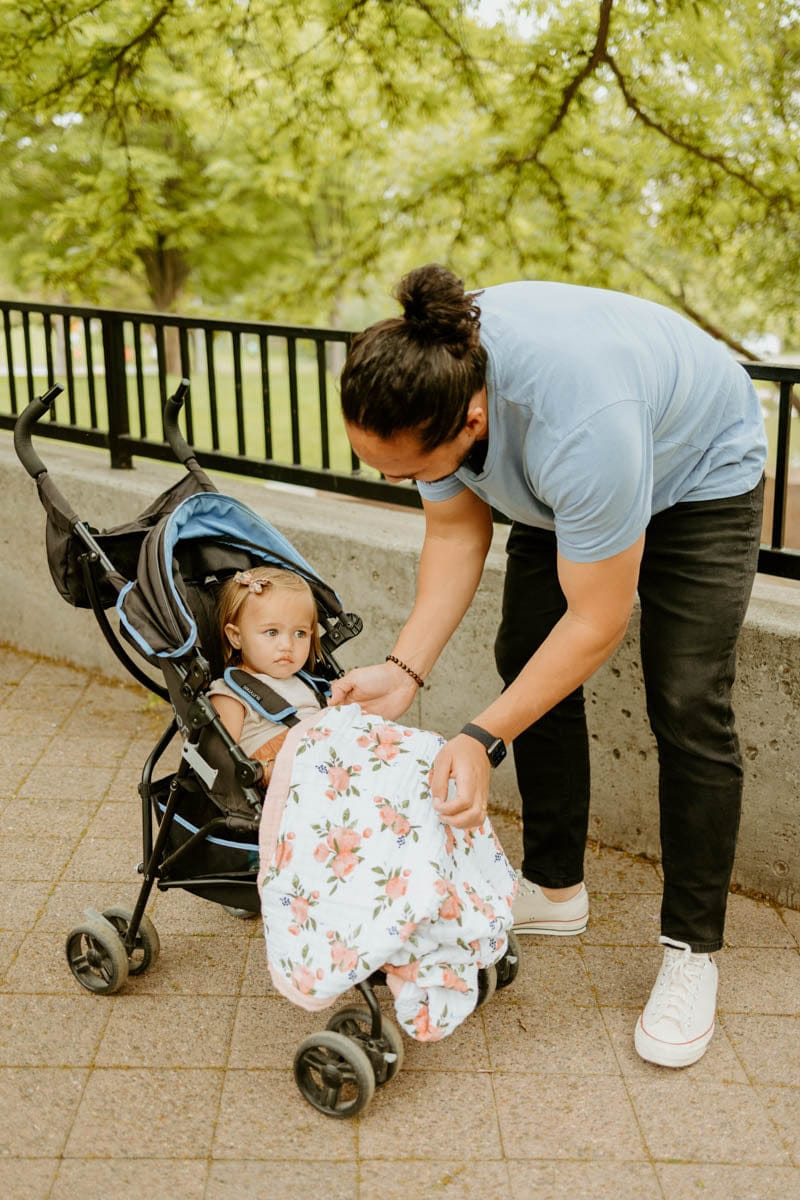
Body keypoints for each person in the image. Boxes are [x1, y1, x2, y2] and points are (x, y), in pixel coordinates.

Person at [330, 263, 767, 1069]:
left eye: (405, 470)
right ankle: (557, 890)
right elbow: (458, 535)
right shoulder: (433, 374)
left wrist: (482, 738)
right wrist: (405, 669)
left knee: (687, 698)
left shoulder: (579, 424)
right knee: (522, 652)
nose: (394, 483)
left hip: (697, 472)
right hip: (565, 481)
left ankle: (690, 951)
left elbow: (596, 624)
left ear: (470, 420)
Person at [209, 566, 325, 785]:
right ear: (236, 637)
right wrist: (266, 770)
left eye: (299, 633)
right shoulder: (230, 695)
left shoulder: (306, 681)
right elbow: (221, 761)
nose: (287, 645)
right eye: (272, 632)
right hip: (292, 772)